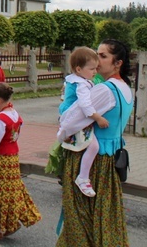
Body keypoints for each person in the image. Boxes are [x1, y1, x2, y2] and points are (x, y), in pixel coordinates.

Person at [55, 40, 134, 246]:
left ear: (118, 63)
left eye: (103, 56)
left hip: (91, 161)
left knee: (79, 218)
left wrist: (62, 128)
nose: (97, 60)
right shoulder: (125, 88)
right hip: (110, 161)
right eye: (97, 54)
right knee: (104, 217)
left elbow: (73, 120)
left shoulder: (105, 90)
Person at [0, 82, 41, 239]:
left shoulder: (1, 119)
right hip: (12, 158)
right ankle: (9, 223)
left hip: (1, 159)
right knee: (12, 191)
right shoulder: (14, 114)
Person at [57, 47, 109, 197]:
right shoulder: (82, 84)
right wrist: (98, 118)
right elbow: (85, 104)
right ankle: (83, 178)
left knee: (84, 144)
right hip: (73, 117)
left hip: (67, 115)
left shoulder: (74, 79)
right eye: (92, 68)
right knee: (93, 147)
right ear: (79, 69)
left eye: (96, 68)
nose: (95, 72)